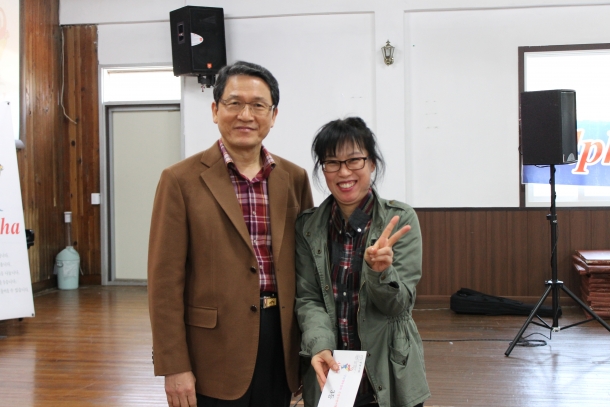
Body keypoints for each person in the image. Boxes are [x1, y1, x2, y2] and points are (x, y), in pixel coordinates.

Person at [148, 61, 314, 407]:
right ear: (215, 110)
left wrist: (307, 352)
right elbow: (164, 283)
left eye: (258, 105)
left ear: (273, 115)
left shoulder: (294, 178)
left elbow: (306, 269)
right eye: (234, 103)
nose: (245, 115)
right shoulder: (179, 180)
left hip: (281, 341)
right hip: (212, 350)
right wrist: (173, 365)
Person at [294, 117, 430, 407]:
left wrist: (381, 274)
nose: (344, 172)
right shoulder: (308, 226)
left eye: (354, 160)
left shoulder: (399, 219)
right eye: (332, 162)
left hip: (389, 372)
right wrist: (320, 345)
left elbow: (399, 306)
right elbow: (309, 299)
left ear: (372, 164)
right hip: (332, 374)